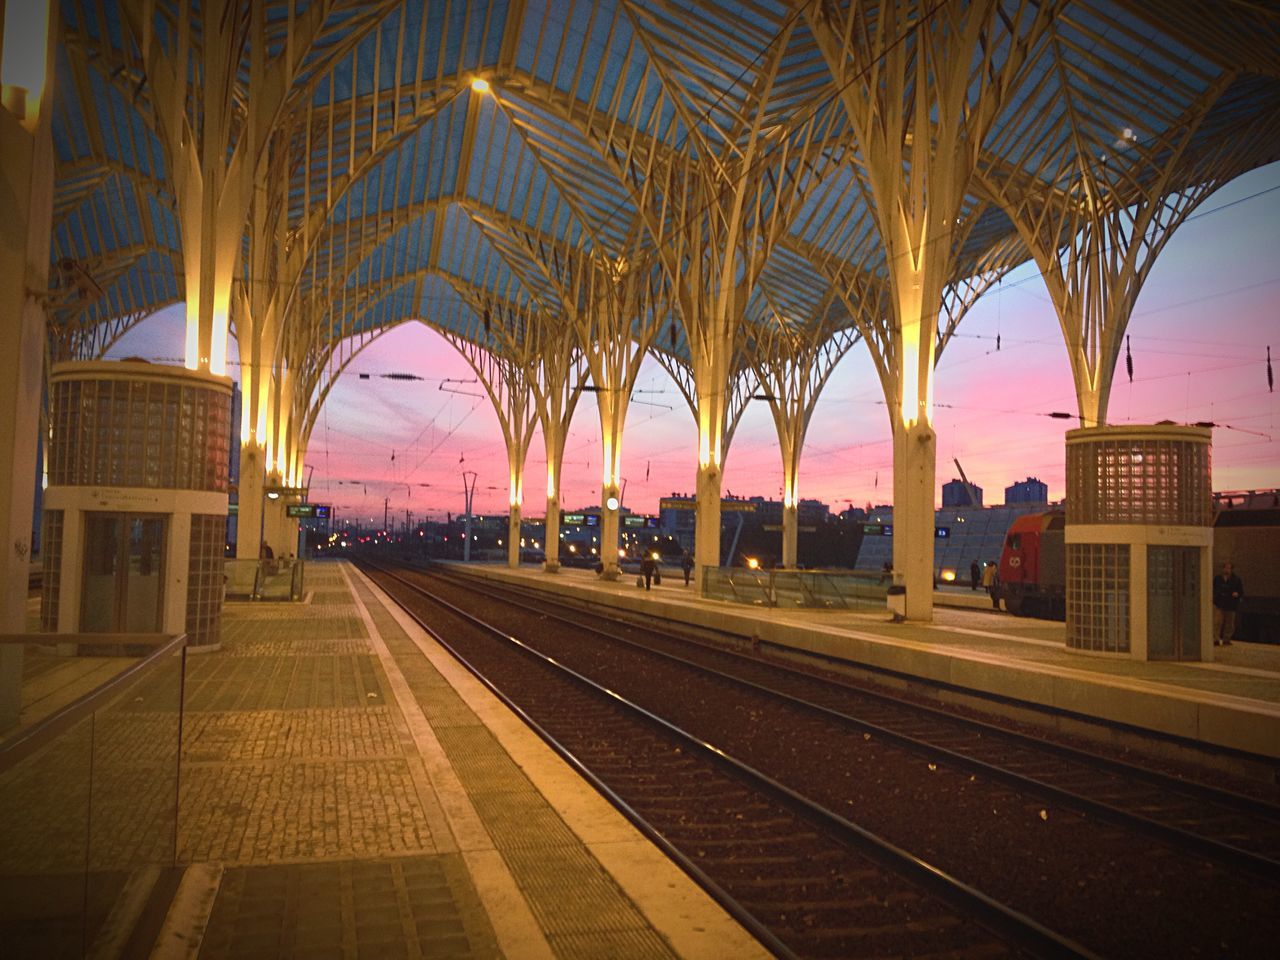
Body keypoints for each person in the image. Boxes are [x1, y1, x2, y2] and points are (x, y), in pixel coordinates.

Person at [1212, 561, 1244, 646]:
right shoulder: (1217, 579)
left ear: (1231, 569)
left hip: (1230, 605)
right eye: (1225, 567)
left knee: (1229, 624)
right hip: (1219, 604)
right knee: (1217, 622)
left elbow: (1240, 591)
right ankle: (1216, 639)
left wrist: (1237, 594)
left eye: (1228, 568)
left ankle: (1227, 639)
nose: (1227, 570)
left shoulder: (1236, 580)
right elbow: (1214, 589)